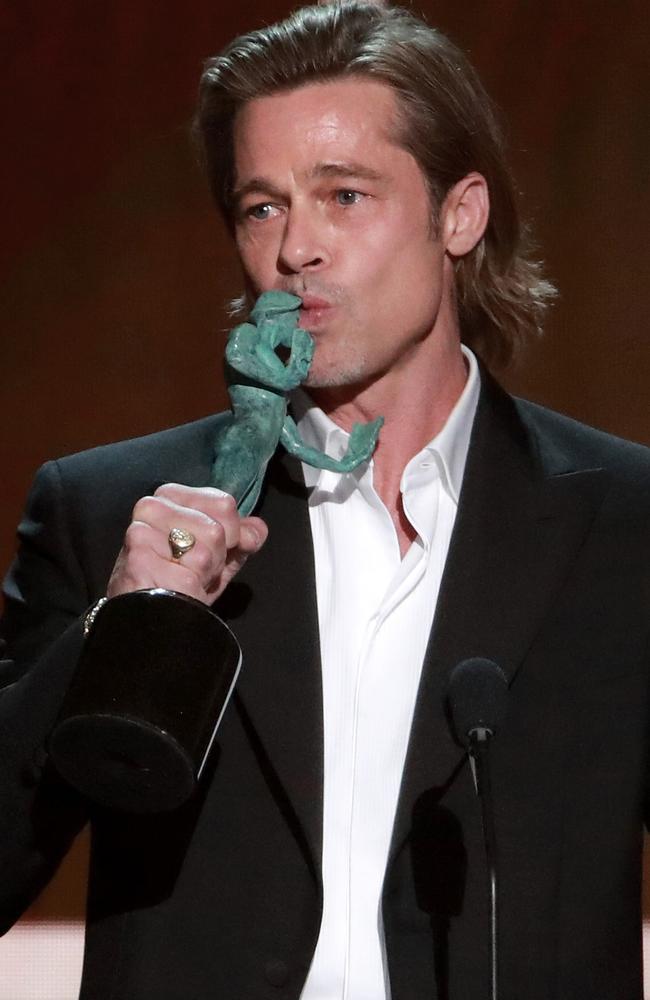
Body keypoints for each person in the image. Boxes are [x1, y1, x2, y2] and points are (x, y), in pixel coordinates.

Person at [1, 2, 649, 998]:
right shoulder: (111, 512)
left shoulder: (622, 527)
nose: (295, 246)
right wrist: (122, 625)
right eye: (262, 206)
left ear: (457, 213)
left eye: (343, 196)